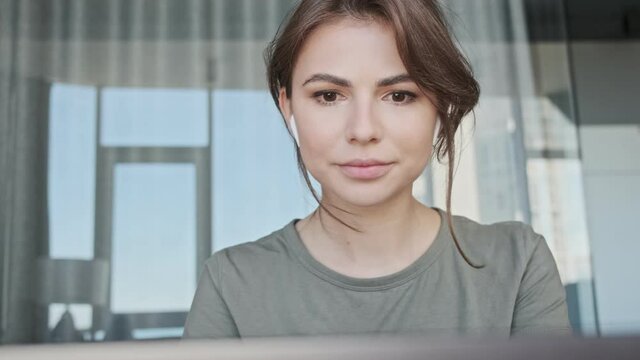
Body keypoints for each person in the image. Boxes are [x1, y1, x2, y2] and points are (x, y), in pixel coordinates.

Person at [183, 0, 571, 339]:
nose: (363, 130)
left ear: (439, 106)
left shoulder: (517, 263)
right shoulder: (232, 283)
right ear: (287, 106)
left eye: (399, 95)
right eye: (329, 96)